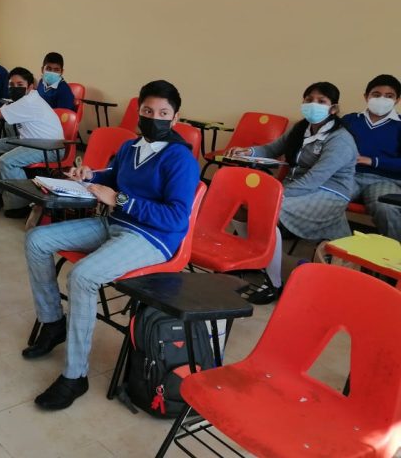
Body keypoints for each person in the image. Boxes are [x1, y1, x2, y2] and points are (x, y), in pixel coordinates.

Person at [22, 80, 199, 410]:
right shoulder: (132, 147)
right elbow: (114, 175)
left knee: (83, 276)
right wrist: (90, 176)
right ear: (139, 112)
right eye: (148, 111)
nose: (154, 118)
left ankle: (75, 376)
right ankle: (53, 323)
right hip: (116, 224)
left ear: (176, 118)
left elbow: (176, 218)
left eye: (163, 113)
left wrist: (120, 199)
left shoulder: (180, 159)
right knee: (36, 240)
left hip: (152, 238)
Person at [226, 81, 358, 303]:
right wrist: (248, 152)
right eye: (309, 100)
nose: (313, 105)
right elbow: (272, 149)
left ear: (333, 108)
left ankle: (274, 282)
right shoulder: (301, 128)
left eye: (321, 101)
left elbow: (315, 179)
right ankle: (255, 259)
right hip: (297, 186)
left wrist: (275, 195)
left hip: (328, 192)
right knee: (240, 206)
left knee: (268, 212)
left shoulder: (340, 139)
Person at [0, 67, 64, 219]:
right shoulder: (21, 100)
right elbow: (3, 110)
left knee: (7, 161)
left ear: (30, 87)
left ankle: (21, 204)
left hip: (50, 147)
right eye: (11, 84)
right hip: (31, 142)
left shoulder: (30, 101)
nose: (15, 88)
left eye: (20, 84)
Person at [342, 74, 401, 241]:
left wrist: (373, 161)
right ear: (366, 96)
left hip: (385, 180)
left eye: (389, 96)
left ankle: (395, 252)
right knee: (330, 198)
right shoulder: (350, 120)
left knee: (385, 207)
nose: (382, 99)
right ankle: (336, 247)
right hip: (349, 175)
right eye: (376, 94)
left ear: (397, 100)